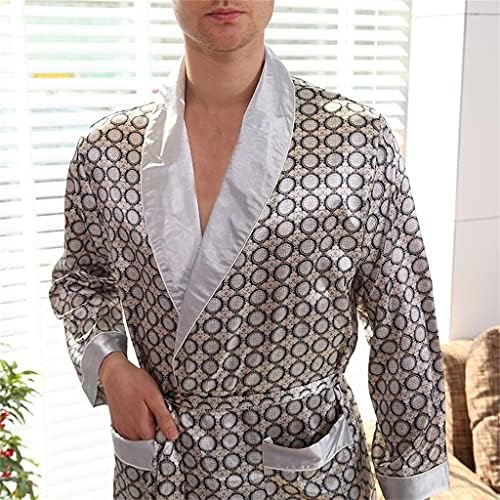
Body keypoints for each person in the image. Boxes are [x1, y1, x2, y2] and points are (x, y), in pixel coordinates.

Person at [48, 1, 451, 498]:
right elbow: (81, 281)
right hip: (164, 466)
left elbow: (402, 316)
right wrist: (111, 366)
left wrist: (410, 478)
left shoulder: (354, 142)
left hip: (307, 472)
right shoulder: (107, 152)